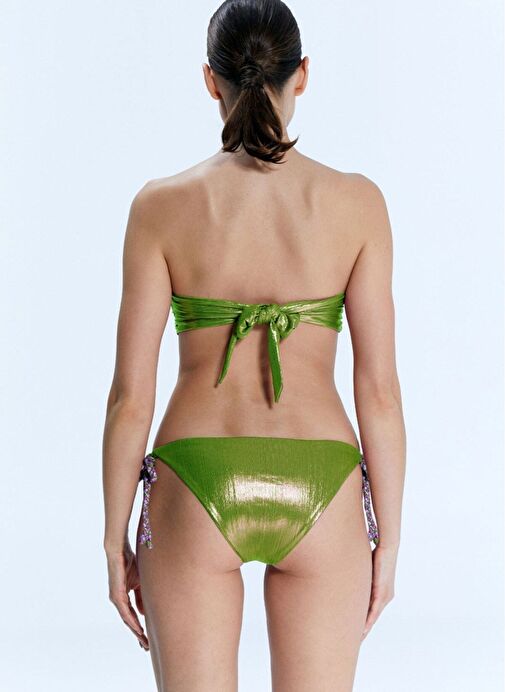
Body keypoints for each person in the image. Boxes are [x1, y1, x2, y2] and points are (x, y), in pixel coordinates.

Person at [102, 0, 406, 689]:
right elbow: (380, 392)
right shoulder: (358, 203)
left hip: (193, 479)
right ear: (302, 74)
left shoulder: (159, 206)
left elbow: (130, 398)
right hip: (323, 481)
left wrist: (113, 539)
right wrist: (387, 540)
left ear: (211, 80)